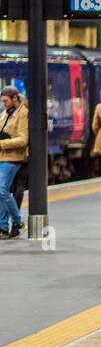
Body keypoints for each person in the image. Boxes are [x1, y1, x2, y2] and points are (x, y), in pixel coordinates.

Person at [0, 86, 28, 238]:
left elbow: (23, 139)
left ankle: (17, 221)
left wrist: (2, 144)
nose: (3, 104)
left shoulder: (23, 113)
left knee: (2, 190)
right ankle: (3, 227)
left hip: (14, 157)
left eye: (5, 101)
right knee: (1, 192)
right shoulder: (5, 112)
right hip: (3, 156)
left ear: (14, 98)